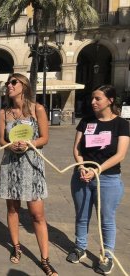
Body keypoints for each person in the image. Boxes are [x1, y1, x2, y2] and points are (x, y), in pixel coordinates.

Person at [0, 73, 57, 276]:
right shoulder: (3, 113)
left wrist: (29, 143)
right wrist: (11, 145)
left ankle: (45, 259)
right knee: (12, 209)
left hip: (32, 164)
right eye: (8, 83)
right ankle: (16, 246)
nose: (9, 86)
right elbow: (1, 141)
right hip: (11, 165)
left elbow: (45, 138)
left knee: (37, 214)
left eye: (14, 82)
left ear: (24, 86)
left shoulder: (37, 109)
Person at [66, 85, 129, 275]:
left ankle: (107, 255)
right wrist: (82, 166)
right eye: (92, 99)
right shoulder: (85, 121)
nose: (93, 102)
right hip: (82, 176)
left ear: (110, 100)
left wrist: (97, 170)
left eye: (98, 99)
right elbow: (77, 149)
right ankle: (80, 248)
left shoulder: (121, 124)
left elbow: (120, 155)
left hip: (108, 179)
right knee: (82, 215)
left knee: (107, 219)